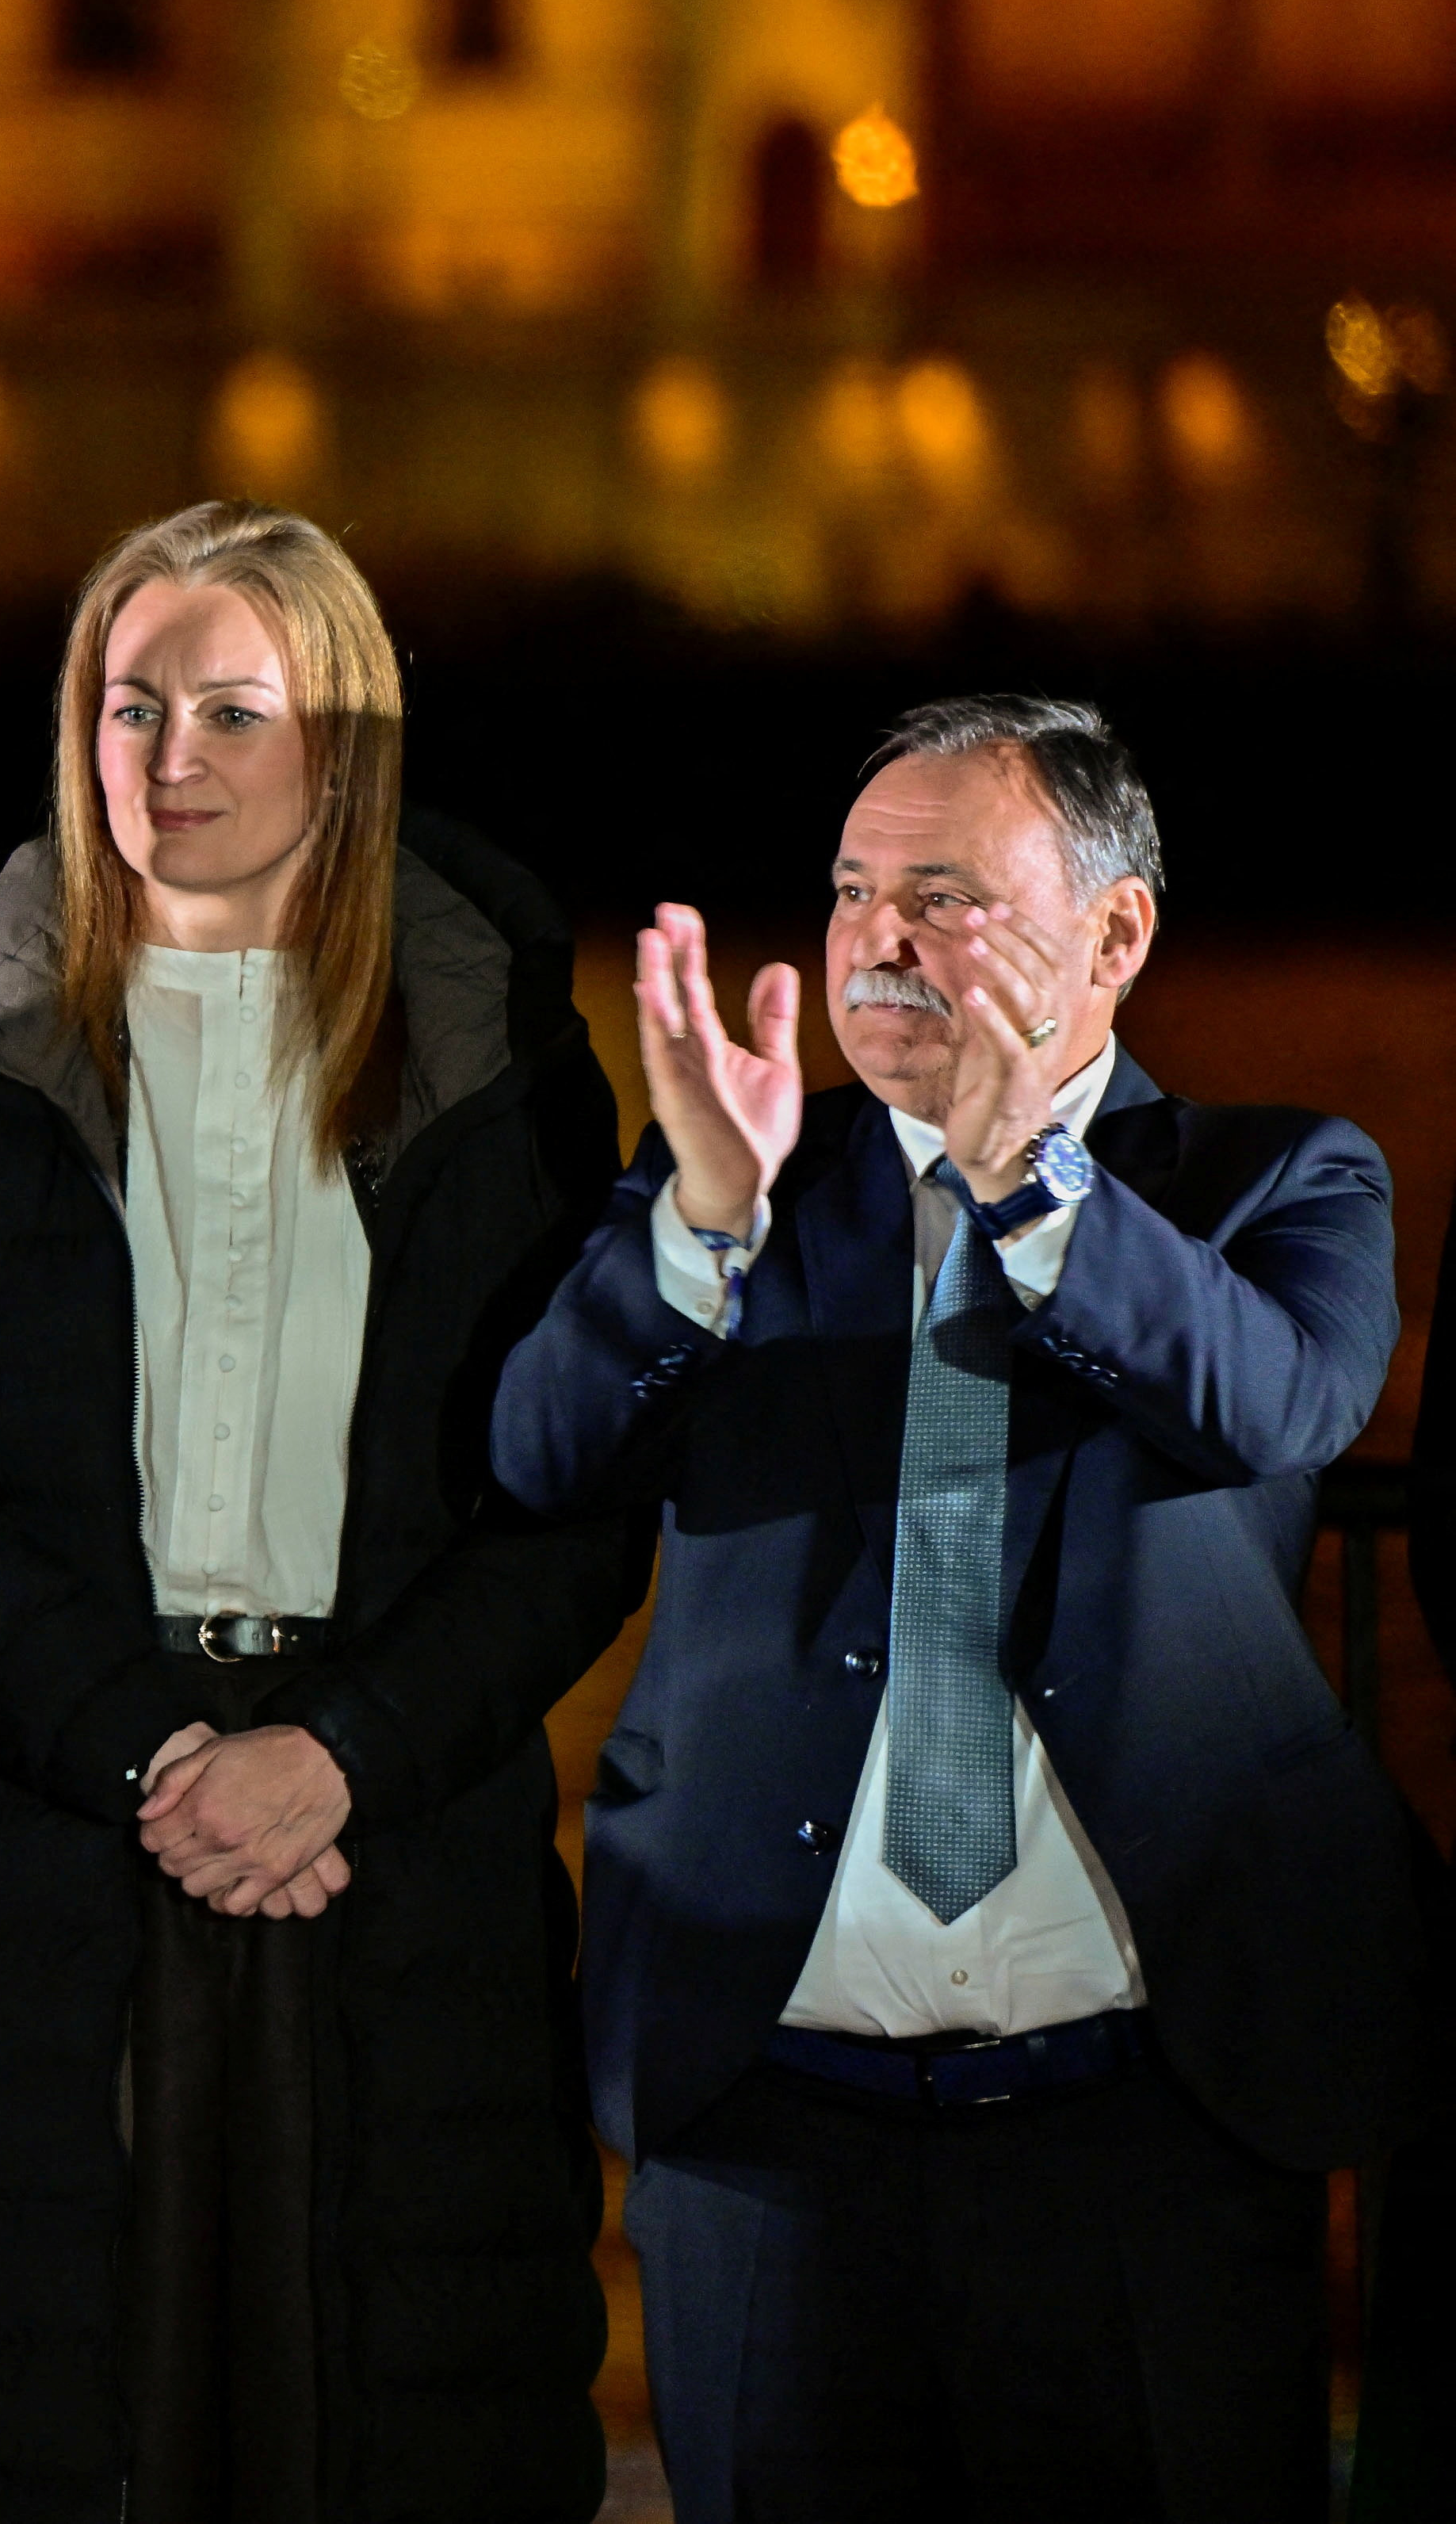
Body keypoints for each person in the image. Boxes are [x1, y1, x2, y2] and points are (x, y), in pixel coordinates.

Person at [0, 504, 629, 2523]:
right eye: (125, 702)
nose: (167, 755)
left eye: (229, 708)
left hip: (396, 1869)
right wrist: (155, 1745)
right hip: (31, 1866)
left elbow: (581, 1491)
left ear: (339, 744)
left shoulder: (504, 1070)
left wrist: (339, 1754)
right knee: (5, 2444)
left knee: (402, 2437)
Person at [495, 693, 1427, 2519]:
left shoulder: (1271, 1180)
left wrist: (1023, 1179)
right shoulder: (741, 1182)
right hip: (767, 2120)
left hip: (1155, 2132)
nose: (877, 941)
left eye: (941, 896)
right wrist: (695, 1217)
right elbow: (540, 1453)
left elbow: (1266, 1402)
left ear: (1112, 934)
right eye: (849, 895)